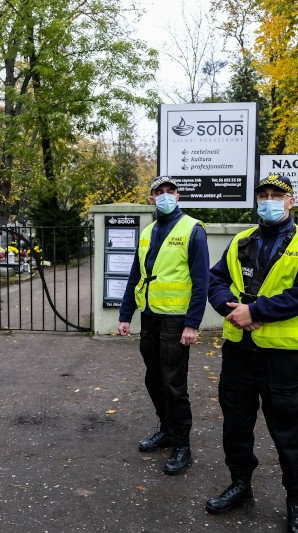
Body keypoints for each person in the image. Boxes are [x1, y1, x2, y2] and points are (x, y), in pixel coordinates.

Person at [206, 174, 298, 533]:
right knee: (236, 424)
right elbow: (216, 280)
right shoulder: (242, 240)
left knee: (288, 430)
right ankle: (241, 485)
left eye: (277, 195)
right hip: (240, 351)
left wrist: (255, 312)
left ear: (291, 201)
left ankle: (297, 500)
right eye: (264, 195)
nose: (269, 200)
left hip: (281, 356)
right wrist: (231, 310)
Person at [117, 176, 209, 476]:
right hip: (150, 316)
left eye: (170, 191)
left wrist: (192, 324)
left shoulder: (192, 229)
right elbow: (136, 275)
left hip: (176, 319)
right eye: (159, 192)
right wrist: (125, 314)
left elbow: (201, 281)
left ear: (178, 196)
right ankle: (166, 429)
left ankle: (183, 444)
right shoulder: (147, 232)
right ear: (151, 198)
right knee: (153, 378)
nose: (165, 196)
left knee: (173, 383)